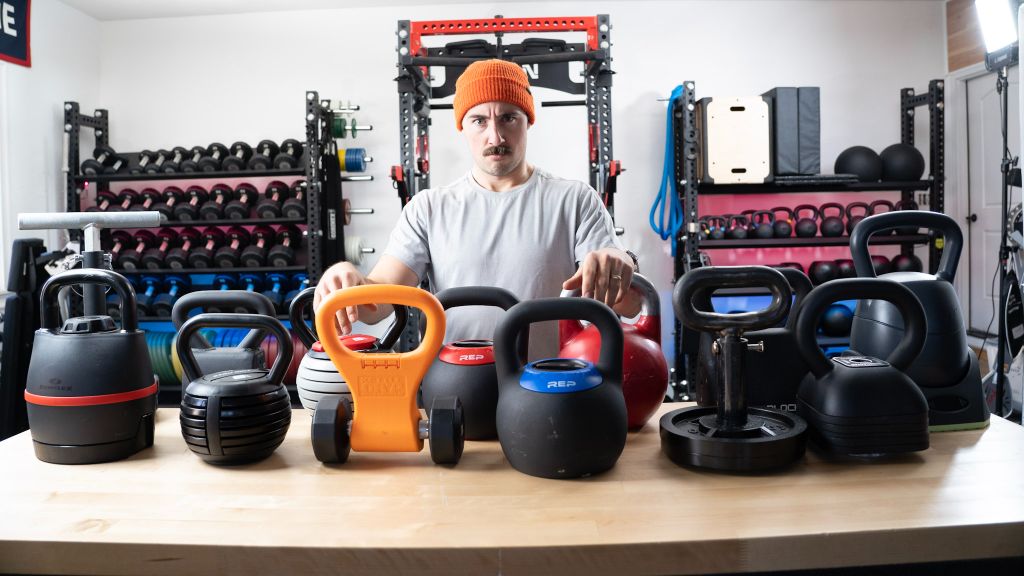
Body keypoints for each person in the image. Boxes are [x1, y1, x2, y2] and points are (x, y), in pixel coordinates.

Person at [314, 58, 640, 358]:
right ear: (463, 126)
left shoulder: (575, 200)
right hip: (456, 386)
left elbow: (632, 304)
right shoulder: (428, 208)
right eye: (479, 120)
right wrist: (347, 281)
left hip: (548, 386)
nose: (495, 136)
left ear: (528, 121)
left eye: (508, 118)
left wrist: (622, 265)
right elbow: (378, 304)